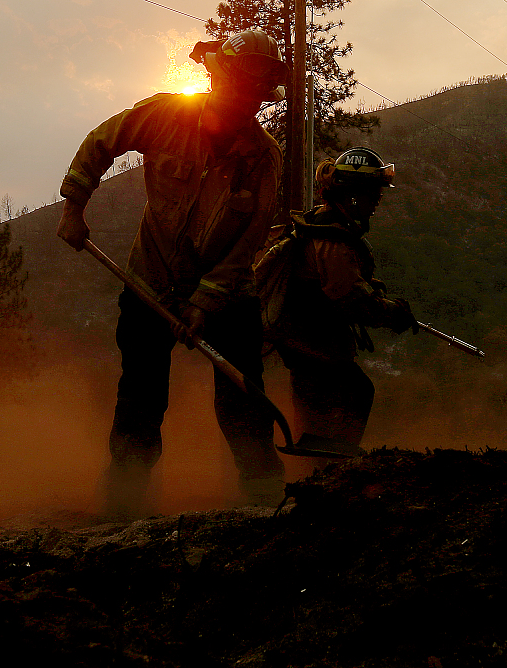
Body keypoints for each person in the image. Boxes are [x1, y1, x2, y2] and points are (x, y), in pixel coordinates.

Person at [56, 30, 289, 517]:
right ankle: (124, 500)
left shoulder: (264, 160)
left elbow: (244, 249)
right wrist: (74, 206)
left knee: (242, 396)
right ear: (217, 77)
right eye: (237, 88)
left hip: (228, 295)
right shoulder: (166, 115)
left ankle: (263, 494)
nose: (244, 102)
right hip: (149, 284)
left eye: (255, 94)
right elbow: (103, 140)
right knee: (141, 392)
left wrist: (202, 305)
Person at [262, 147, 416, 457]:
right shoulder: (333, 239)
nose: (378, 201)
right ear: (354, 196)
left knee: (316, 413)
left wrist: (374, 291)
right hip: (312, 344)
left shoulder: (326, 225)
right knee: (356, 392)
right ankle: (331, 469)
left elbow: (348, 282)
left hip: (307, 343)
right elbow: (351, 300)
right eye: (374, 194)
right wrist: (392, 313)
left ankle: (315, 471)